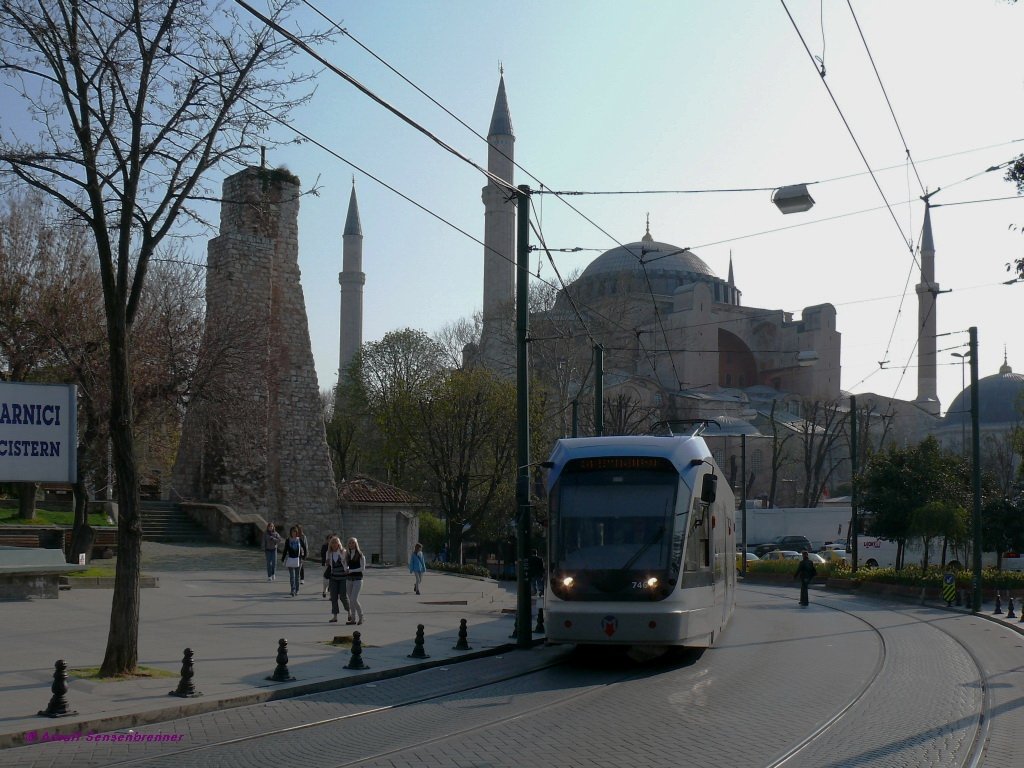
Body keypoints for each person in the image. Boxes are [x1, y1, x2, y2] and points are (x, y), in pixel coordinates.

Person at [325, 535, 350, 622]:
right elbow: (327, 563)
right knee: (333, 597)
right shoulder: (329, 553)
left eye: (336, 543)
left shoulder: (343, 552)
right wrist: (327, 562)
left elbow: (347, 563)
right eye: (332, 543)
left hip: (343, 577)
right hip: (333, 577)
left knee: (343, 597)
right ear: (330, 544)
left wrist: (347, 569)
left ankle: (349, 612)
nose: (334, 544)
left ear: (339, 544)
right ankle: (335, 616)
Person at [345, 536, 365, 624]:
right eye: (350, 542)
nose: (351, 544)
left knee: (354, 599)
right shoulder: (347, 554)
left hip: (358, 579)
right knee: (351, 600)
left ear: (356, 544)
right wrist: (346, 569)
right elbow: (346, 565)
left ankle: (361, 616)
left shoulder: (360, 555)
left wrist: (351, 570)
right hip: (349, 579)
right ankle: (353, 619)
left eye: (353, 542)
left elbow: (362, 568)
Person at [281, 526, 305, 597]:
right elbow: (285, 550)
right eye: (292, 532)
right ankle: (293, 590)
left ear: (297, 533)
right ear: (291, 532)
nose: (294, 533)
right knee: (292, 576)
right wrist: (283, 558)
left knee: (297, 576)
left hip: (298, 559)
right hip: (290, 559)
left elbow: (305, 548)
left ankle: (297, 590)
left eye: (295, 532)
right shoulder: (288, 540)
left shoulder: (299, 540)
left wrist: (303, 557)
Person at [320, 532, 334, 598]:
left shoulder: (334, 546)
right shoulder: (324, 546)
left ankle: (331, 594)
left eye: (332, 538)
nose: (331, 539)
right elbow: (322, 555)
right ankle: (324, 591)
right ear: (327, 539)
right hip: (325, 564)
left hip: (333, 565)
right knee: (325, 578)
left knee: (332, 579)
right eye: (330, 538)